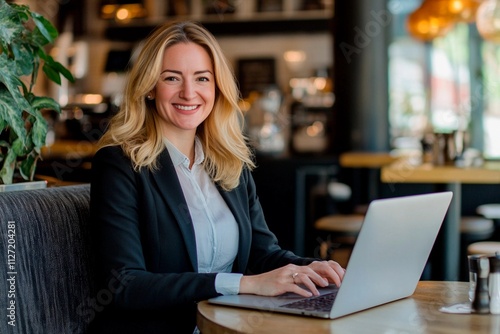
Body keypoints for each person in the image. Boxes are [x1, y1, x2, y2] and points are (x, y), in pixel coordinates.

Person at [89, 21, 345, 334]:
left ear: (216, 88)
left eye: (202, 78)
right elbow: (125, 285)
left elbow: (264, 254)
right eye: (172, 78)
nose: (189, 92)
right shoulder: (119, 165)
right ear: (150, 87)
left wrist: (312, 268)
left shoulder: (229, 163)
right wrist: (245, 284)